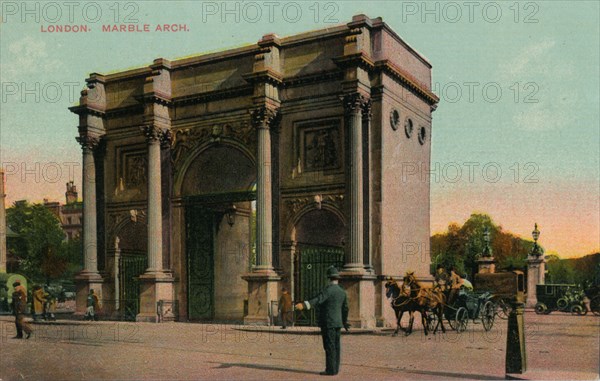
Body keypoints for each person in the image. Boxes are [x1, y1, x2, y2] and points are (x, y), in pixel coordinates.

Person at [295, 266, 349, 376]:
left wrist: (304, 305)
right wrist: (344, 322)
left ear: (329, 278)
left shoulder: (328, 290)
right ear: (337, 279)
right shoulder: (342, 292)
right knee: (336, 346)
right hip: (338, 323)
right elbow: (345, 309)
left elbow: (318, 300)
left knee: (329, 346)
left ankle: (330, 370)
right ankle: (335, 369)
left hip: (328, 323)